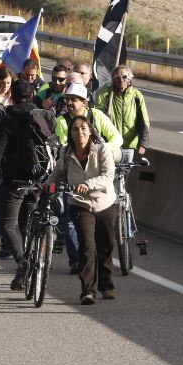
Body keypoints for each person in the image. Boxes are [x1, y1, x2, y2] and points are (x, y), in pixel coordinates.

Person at [0, 80, 57, 290]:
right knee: (28, 222)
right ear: (32, 96)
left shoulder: (9, 117)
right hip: (41, 178)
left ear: (11, 96)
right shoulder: (42, 116)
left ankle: (23, 262)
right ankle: (32, 262)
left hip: (16, 180)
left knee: (8, 224)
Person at [52, 115, 117, 304]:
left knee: (106, 244)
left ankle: (107, 285)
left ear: (90, 131)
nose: (79, 132)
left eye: (83, 128)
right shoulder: (66, 152)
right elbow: (58, 173)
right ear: (70, 133)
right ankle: (88, 290)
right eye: (75, 129)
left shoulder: (102, 149)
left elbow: (108, 175)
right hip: (80, 203)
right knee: (87, 246)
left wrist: (88, 184)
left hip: (104, 201)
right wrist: (46, 185)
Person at [94, 65, 150, 159]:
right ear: (113, 79)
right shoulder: (105, 93)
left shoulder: (136, 95)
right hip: (111, 145)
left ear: (129, 79)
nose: (121, 80)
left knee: (125, 173)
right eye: (117, 77)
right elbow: (97, 118)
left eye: (124, 77)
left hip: (129, 146)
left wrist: (143, 143)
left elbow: (143, 121)